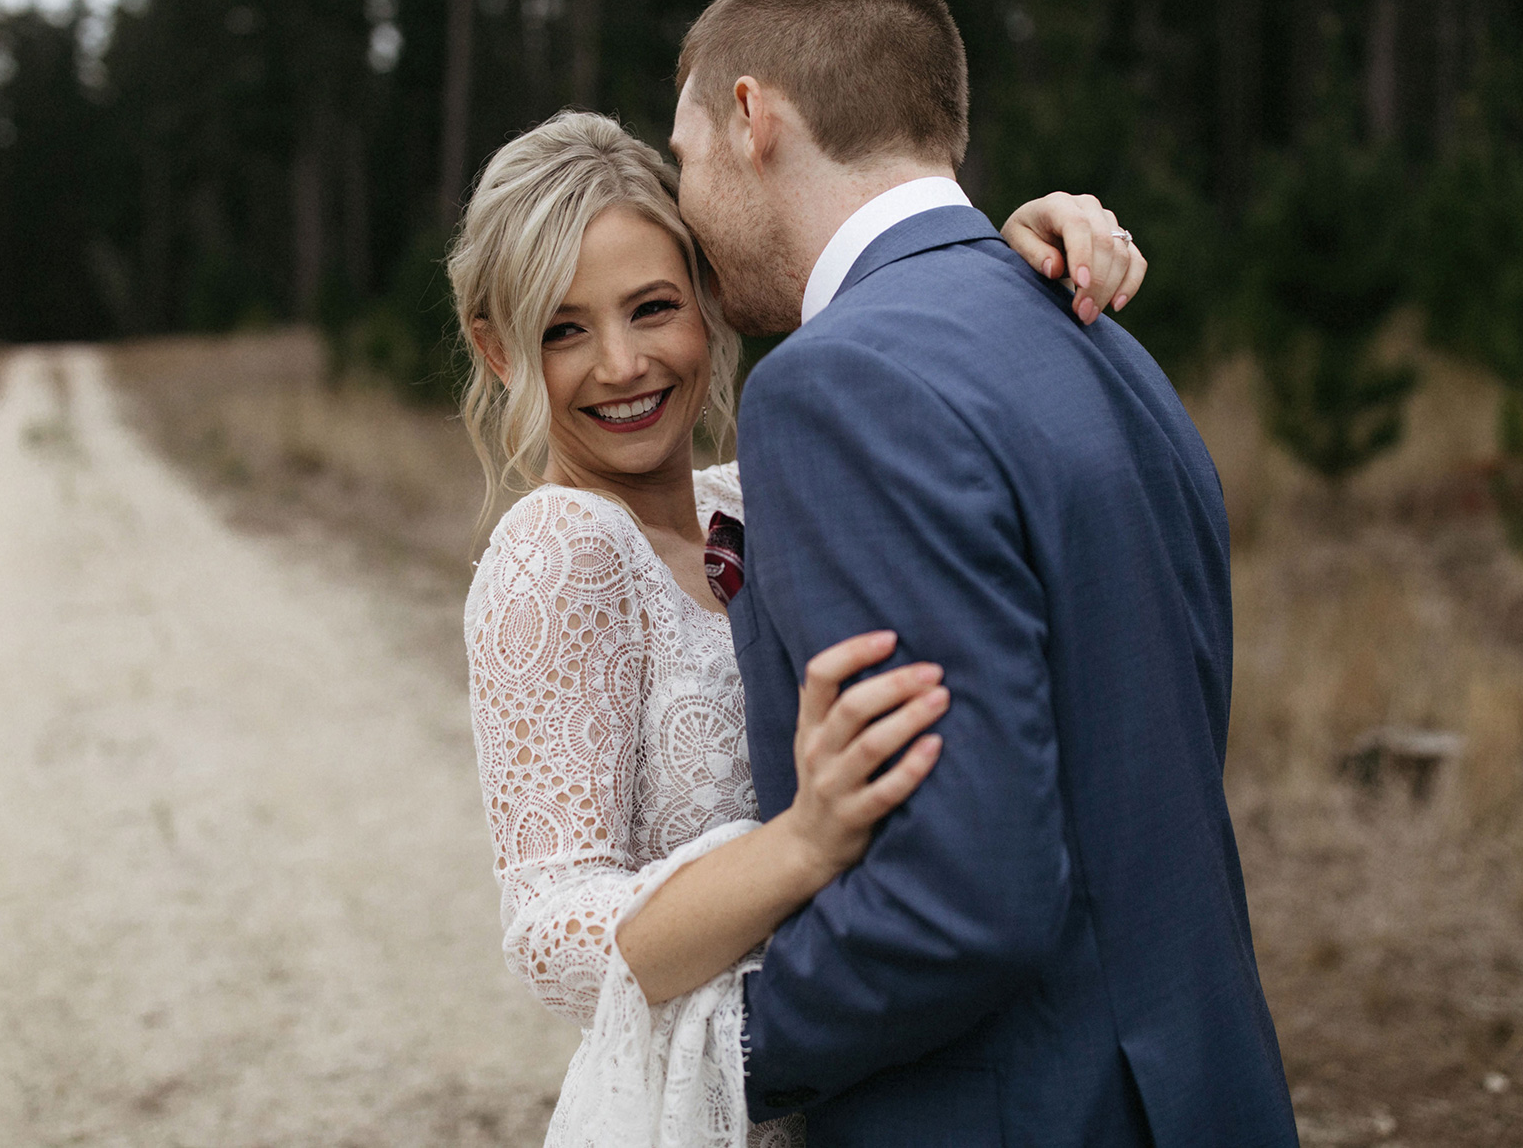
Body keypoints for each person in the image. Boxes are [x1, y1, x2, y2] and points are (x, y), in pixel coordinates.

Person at [667, 0, 1299, 1145]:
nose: (688, 216)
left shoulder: (833, 382)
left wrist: (714, 1059)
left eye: (684, 159)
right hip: (1197, 1093)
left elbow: (960, 898)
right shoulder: (1099, 332)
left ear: (754, 118)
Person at [454, 104, 1149, 1144]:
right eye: (562, 328)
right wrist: (800, 845)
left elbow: (931, 412)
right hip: (713, 1099)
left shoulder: (756, 490)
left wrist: (1001, 258)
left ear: (707, 299)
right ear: (496, 349)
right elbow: (549, 937)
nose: (621, 364)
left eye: (651, 307)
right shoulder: (557, 550)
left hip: (876, 1077)